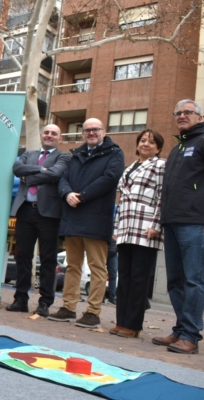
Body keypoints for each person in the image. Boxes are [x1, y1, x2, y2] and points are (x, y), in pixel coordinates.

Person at [48, 118, 124, 328]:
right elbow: (63, 178)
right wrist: (67, 193)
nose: (91, 133)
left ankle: (92, 312)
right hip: (73, 216)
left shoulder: (115, 153)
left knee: (97, 267)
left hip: (97, 218)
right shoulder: (76, 154)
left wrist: (82, 195)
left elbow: (110, 178)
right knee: (72, 266)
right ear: (83, 133)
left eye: (95, 130)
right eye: (87, 130)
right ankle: (68, 307)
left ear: (103, 131)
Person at [153, 99, 204, 354]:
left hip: (195, 222)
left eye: (188, 112)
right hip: (171, 221)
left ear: (200, 117)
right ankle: (181, 329)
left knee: (194, 280)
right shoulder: (178, 147)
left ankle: (191, 336)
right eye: (179, 113)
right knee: (175, 280)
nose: (182, 116)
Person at [6, 124, 70, 316]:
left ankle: (45, 303)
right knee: (23, 256)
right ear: (41, 135)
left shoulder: (64, 156)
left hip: (49, 214)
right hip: (25, 210)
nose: (49, 135)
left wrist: (30, 177)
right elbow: (17, 168)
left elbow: (55, 173)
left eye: (54, 133)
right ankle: (20, 299)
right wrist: (41, 169)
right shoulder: (28, 153)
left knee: (48, 259)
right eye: (47, 132)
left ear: (60, 138)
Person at [110, 129, 165, 338]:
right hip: (126, 227)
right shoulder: (130, 167)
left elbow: (162, 197)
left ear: (158, 147)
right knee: (124, 276)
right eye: (143, 140)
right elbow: (122, 200)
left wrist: (156, 225)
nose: (146, 144)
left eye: (152, 142)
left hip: (146, 228)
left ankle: (133, 325)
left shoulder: (160, 165)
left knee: (139, 278)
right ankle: (121, 321)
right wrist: (117, 229)